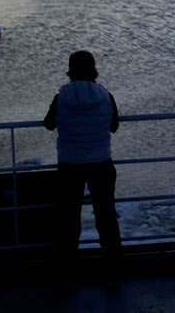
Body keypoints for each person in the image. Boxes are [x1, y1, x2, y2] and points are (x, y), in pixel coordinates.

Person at [44, 50, 122, 273]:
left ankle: (68, 275)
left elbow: (49, 124)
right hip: (101, 164)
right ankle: (114, 272)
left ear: (70, 70)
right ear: (94, 69)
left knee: (69, 221)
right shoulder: (106, 96)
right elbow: (114, 126)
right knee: (106, 218)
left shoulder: (61, 98)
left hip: (69, 165)